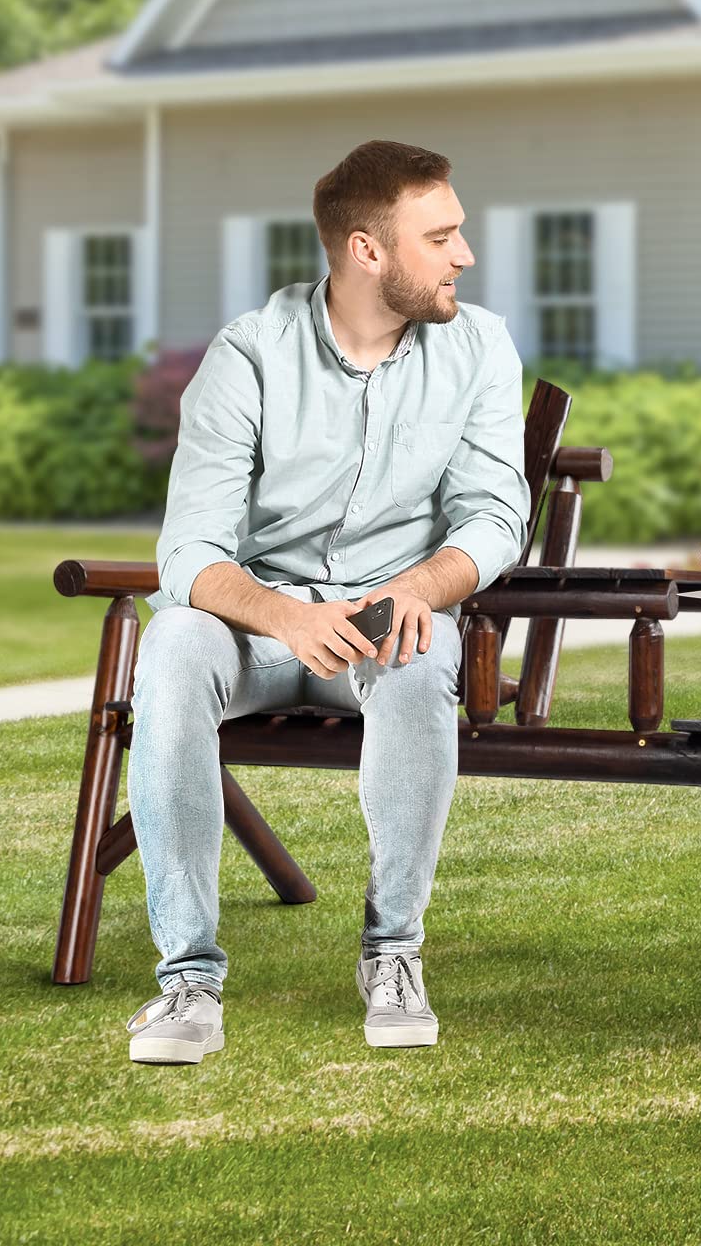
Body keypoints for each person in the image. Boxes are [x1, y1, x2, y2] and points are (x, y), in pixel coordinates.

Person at [123, 139, 529, 1066]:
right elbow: (189, 550)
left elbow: (496, 511)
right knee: (177, 645)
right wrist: (285, 617)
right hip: (258, 627)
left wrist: (419, 585)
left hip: (390, 616)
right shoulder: (250, 354)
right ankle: (188, 981)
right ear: (366, 250)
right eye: (442, 236)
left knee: (423, 661)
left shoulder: (477, 348)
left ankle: (393, 956)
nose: (464, 255)